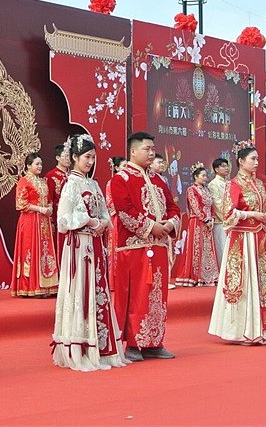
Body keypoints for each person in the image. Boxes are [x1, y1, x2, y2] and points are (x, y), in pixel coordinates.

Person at [51, 134, 128, 371]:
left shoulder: (93, 184)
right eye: (86, 157)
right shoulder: (70, 185)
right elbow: (62, 221)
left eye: (93, 158)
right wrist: (89, 221)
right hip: (78, 248)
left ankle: (102, 348)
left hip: (96, 246)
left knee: (99, 293)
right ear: (74, 157)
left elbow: (106, 213)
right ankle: (80, 347)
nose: (90, 162)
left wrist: (102, 222)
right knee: (81, 294)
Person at [111, 132, 181, 361]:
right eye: (146, 149)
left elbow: (173, 207)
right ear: (133, 151)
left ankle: (154, 342)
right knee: (135, 295)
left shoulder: (159, 180)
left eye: (153, 149)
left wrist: (170, 224)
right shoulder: (121, 179)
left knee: (157, 296)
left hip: (158, 246)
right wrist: (151, 226)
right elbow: (124, 211)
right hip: (134, 247)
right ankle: (132, 344)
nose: (151, 153)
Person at [208, 141, 266, 344]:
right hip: (243, 239)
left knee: (261, 283)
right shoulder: (234, 185)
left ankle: (261, 329)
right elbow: (227, 213)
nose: (257, 162)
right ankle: (240, 331)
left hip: (260, 238)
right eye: (252, 159)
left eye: (257, 159)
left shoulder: (259, 184)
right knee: (244, 283)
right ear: (241, 161)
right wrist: (254, 214)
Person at [12, 152, 59, 297]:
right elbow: (21, 204)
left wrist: (49, 209)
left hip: (43, 221)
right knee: (31, 251)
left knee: (44, 252)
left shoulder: (42, 181)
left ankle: (46, 286)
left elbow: (49, 199)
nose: (40, 166)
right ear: (28, 166)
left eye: (41, 164)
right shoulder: (24, 182)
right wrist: (40, 209)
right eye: (37, 164)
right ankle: (30, 287)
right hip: (30, 221)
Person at [172, 163, 219, 287]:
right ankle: (195, 277)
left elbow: (211, 206)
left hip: (208, 222)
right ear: (195, 177)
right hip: (197, 222)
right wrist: (205, 219)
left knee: (207, 249)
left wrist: (212, 218)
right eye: (203, 176)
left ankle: (208, 276)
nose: (205, 178)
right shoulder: (191, 190)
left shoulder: (206, 189)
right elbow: (195, 206)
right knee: (197, 248)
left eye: (206, 175)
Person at [45, 143, 70, 264]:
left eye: (69, 156)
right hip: (58, 217)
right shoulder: (51, 176)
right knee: (59, 247)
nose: (67, 158)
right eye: (64, 156)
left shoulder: (72, 176)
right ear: (57, 158)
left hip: (72, 217)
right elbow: (48, 199)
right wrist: (51, 220)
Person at [105, 156, 127, 287]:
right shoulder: (111, 182)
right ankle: (116, 279)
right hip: (117, 218)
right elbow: (109, 202)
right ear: (117, 168)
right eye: (124, 166)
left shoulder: (128, 181)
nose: (126, 169)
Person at [208, 157, 231, 263]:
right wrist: (227, 218)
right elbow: (217, 204)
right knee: (222, 250)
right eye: (223, 166)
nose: (226, 168)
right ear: (216, 169)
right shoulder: (213, 184)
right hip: (221, 222)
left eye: (227, 166)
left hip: (232, 221)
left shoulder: (229, 183)